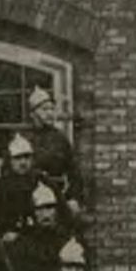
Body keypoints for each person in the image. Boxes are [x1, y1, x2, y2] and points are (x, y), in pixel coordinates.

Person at [25, 86, 83, 215]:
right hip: (28, 197)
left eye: (52, 109)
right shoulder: (24, 139)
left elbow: (74, 173)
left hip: (57, 197)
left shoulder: (60, 139)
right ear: (33, 113)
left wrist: (73, 198)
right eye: (44, 109)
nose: (50, 113)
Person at [0, 134, 43, 242]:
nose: (23, 162)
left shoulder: (40, 184)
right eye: (17, 158)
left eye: (27, 157)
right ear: (10, 160)